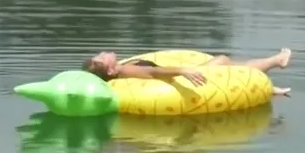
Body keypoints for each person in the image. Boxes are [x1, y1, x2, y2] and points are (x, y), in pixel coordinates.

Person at [84, 48, 293, 96]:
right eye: (102, 58)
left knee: (228, 64)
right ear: (110, 70)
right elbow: (154, 73)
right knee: (222, 60)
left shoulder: (122, 68)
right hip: (183, 76)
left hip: (178, 75)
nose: (103, 53)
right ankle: (276, 61)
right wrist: (184, 70)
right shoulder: (126, 69)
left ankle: (268, 85)